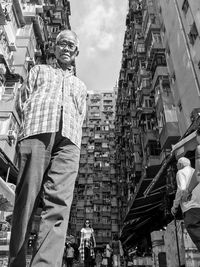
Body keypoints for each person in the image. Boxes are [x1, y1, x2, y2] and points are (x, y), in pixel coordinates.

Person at [8, 29, 87, 267]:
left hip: (69, 142)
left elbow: (81, 115)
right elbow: (22, 102)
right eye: (62, 43)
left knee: (60, 204)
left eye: (71, 46)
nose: (66, 48)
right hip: (37, 132)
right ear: (54, 48)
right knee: (27, 199)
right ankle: (17, 263)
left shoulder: (80, 86)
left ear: (76, 53)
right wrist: (28, 130)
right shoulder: (38, 71)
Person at [171, 157, 200, 252]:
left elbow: (181, 190)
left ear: (181, 165)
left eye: (177, 164)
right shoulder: (196, 171)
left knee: (198, 237)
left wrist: (175, 206)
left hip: (190, 209)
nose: (176, 166)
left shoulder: (181, 172)